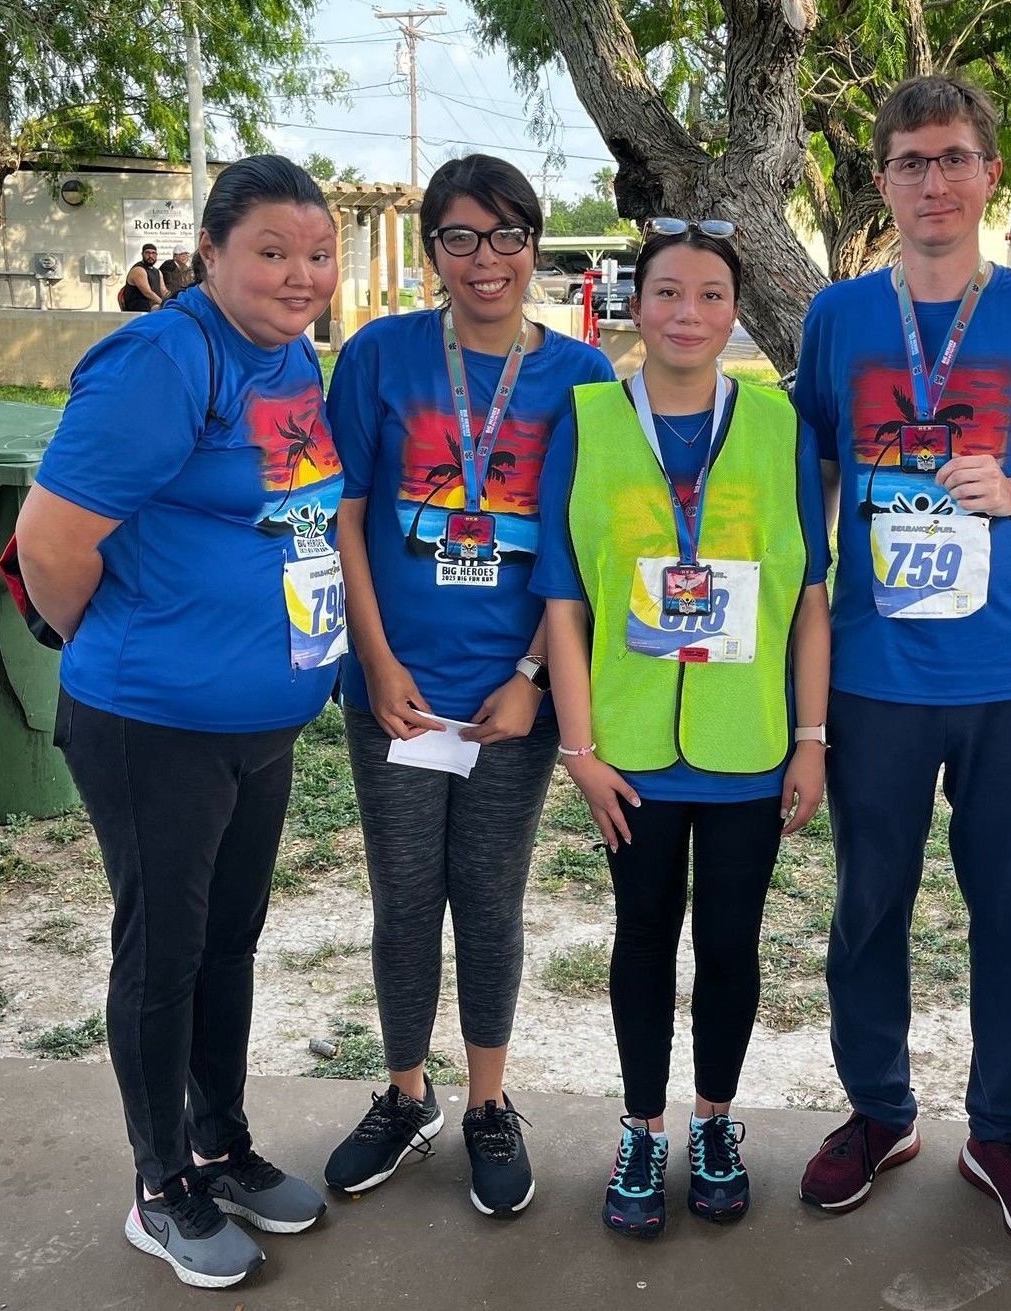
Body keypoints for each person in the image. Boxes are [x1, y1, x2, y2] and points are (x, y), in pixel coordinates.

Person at [791, 74, 1011, 1261]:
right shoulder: (836, 316)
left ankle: (999, 1131)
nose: (932, 181)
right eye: (908, 162)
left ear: (988, 174)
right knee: (865, 906)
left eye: (952, 158)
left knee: (1005, 914)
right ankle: (879, 1111)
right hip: (877, 673)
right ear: (880, 182)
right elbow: (805, 474)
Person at [15, 155, 343, 1288]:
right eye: (271, 251)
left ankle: (220, 1140)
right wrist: (128, 643)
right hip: (154, 723)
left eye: (316, 253)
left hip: (262, 722)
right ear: (209, 252)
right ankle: (159, 1188)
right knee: (163, 953)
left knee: (227, 943)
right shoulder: (163, 360)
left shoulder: (291, 357)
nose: (298, 274)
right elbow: (50, 550)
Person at [322, 155, 613, 1216]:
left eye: (504, 236)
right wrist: (379, 657)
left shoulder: (583, 376)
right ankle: (407, 1096)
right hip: (395, 691)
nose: (483, 260)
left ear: (535, 242)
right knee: (403, 901)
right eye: (458, 238)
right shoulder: (380, 356)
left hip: (511, 700)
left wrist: (535, 675)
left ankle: (489, 1104)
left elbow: (585, 549)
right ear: (432, 249)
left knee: (488, 902)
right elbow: (347, 513)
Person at [533, 219, 832, 1238]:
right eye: (667, 292)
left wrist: (810, 738)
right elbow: (564, 602)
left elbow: (808, 598)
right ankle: (641, 1127)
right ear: (635, 302)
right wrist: (579, 752)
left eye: (710, 294)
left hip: (747, 746)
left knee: (730, 945)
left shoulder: (778, 428)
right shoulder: (585, 419)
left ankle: (712, 1123)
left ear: (733, 310)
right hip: (629, 753)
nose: (688, 313)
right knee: (642, 938)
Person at [119, 242, 165, 311]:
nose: (150, 256)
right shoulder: (138, 270)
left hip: (153, 306)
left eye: (153, 253)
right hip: (139, 308)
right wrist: (164, 303)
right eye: (147, 253)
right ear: (142, 254)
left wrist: (174, 299)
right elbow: (148, 292)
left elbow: (164, 290)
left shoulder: (158, 271)